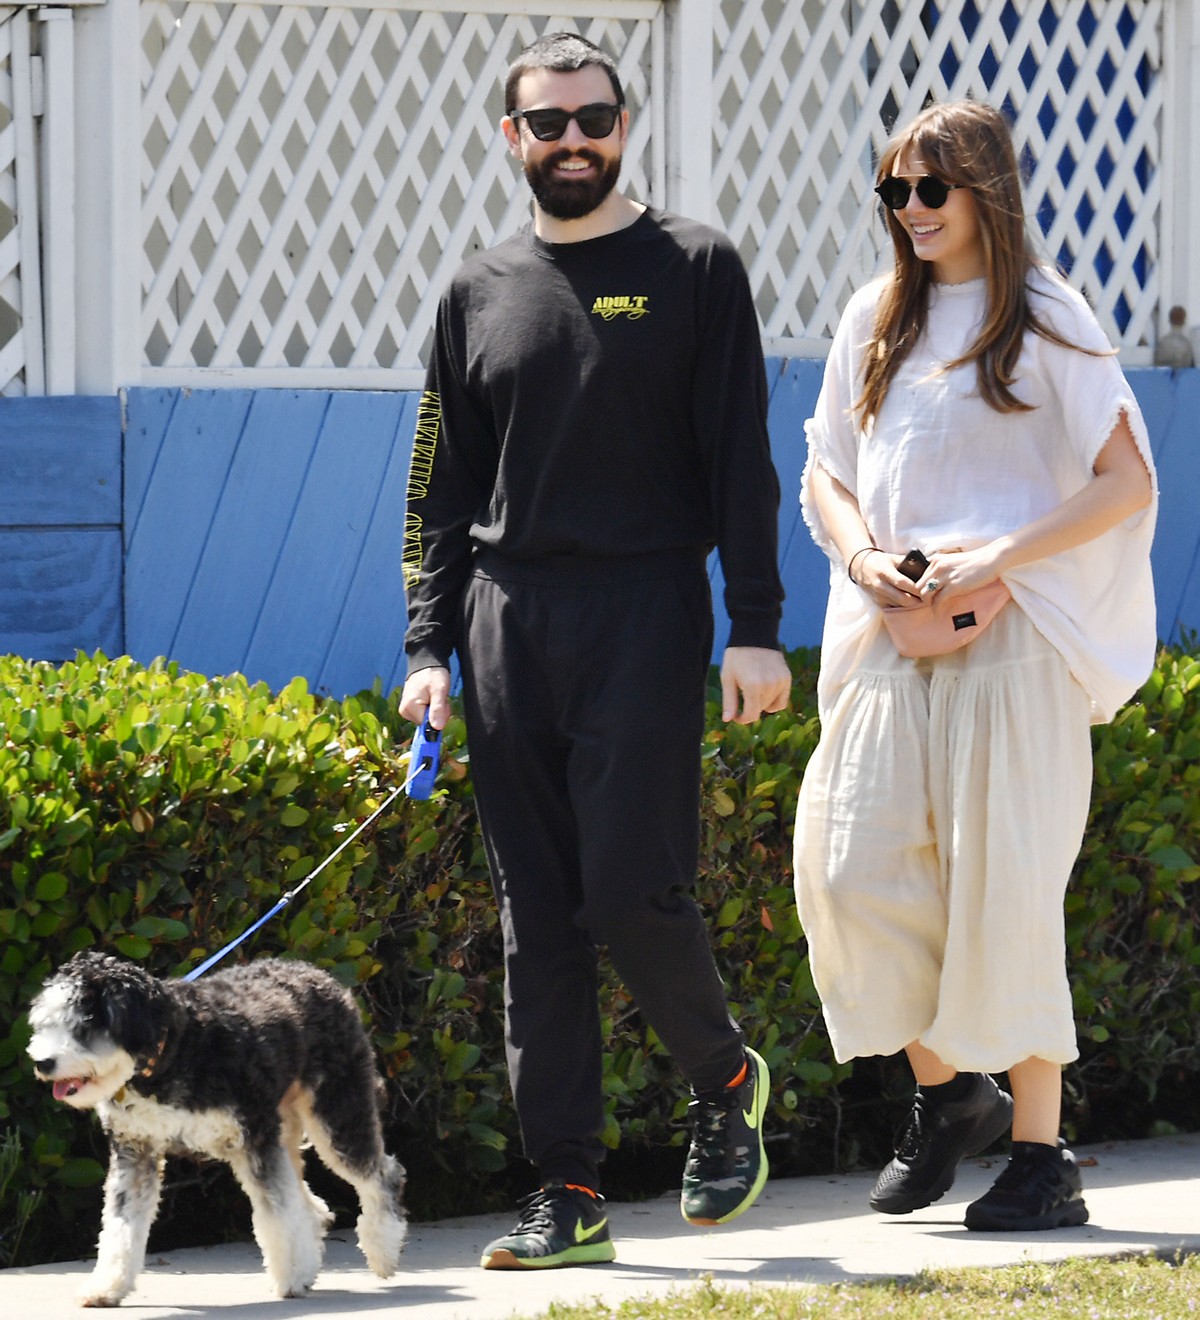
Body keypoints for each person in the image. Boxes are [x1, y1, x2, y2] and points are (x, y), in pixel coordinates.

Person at [399, 31, 792, 1270]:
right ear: (510, 137)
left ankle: (724, 1079)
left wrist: (759, 627)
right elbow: (436, 487)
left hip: (646, 612)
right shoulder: (475, 290)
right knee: (537, 921)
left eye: (594, 117)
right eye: (548, 122)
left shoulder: (693, 266)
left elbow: (742, 460)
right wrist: (428, 646)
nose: (574, 140)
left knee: (630, 889)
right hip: (507, 621)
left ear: (625, 124)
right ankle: (566, 1190)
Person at [791, 99, 1157, 1232]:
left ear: (985, 191)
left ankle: (1044, 1161)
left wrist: (998, 557)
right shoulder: (877, 316)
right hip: (893, 638)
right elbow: (825, 473)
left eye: (929, 191)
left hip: (1018, 645)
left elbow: (1125, 480)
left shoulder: (1045, 314)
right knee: (846, 875)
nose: (908, 212)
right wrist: (859, 560)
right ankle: (950, 1096)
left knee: (1007, 893)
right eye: (892, 193)